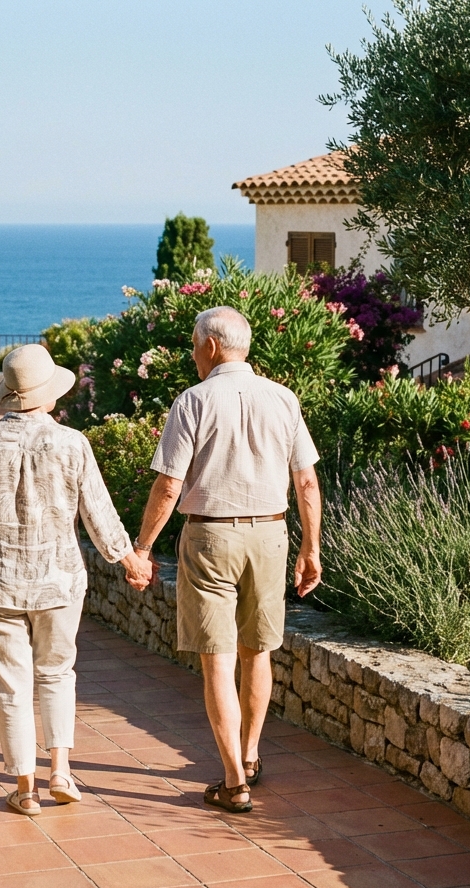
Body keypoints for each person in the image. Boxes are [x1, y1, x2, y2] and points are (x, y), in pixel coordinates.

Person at [0, 343, 153, 817]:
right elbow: (98, 512)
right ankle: (60, 770)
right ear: (50, 394)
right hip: (59, 583)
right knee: (58, 673)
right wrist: (129, 560)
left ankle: (26, 789)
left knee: (10, 686)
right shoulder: (72, 442)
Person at [134, 306, 322, 813]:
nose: (194, 356)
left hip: (211, 539)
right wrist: (311, 548)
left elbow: (170, 483)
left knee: (216, 660)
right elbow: (306, 480)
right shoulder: (284, 399)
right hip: (272, 535)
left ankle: (234, 781)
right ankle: (252, 755)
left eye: (195, 346)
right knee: (256, 652)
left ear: (211, 347)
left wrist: (144, 548)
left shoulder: (194, 400)